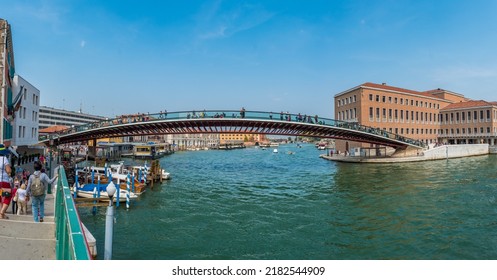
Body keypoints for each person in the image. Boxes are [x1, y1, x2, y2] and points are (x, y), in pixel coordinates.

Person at [0, 144, 12, 219]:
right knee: (8, 196)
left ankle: (1, 213)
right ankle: (2, 213)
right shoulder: (4, 158)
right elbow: (8, 170)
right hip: (3, 181)